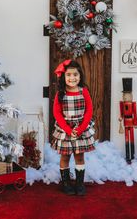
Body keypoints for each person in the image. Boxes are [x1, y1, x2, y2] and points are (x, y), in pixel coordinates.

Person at [52, 59, 95, 196]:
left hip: (80, 129)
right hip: (65, 130)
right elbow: (57, 114)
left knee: (79, 157)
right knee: (65, 157)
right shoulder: (60, 94)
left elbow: (89, 111)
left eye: (75, 74)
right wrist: (69, 130)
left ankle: (79, 183)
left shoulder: (84, 91)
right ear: (64, 77)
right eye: (69, 75)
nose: (72, 78)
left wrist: (81, 128)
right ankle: (66, 183)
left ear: (80, 75)